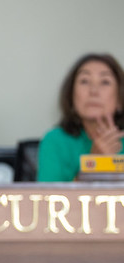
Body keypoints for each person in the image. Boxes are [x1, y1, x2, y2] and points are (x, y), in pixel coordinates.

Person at [37, 53, 124, 182]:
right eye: (84, 81)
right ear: (71, 96)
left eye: (105, 82)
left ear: (119, 99)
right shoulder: (55, 141)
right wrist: (93, 165)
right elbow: (47, 200)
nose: (94, 91)